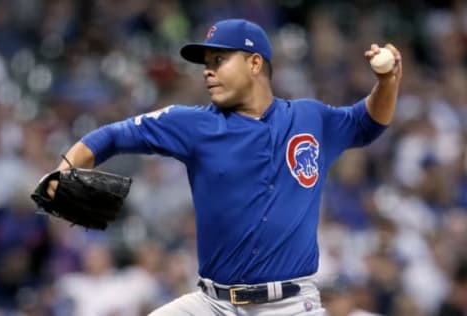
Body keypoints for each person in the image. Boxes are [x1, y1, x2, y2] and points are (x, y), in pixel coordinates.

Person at [44, 19, 402, 315]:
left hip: (292, 306)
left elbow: (367, 123)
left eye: (219, 60)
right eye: (206, 64)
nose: (208, 72)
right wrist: (64, 169)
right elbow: (113, 136)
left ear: (255, 63)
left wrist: (386, 82)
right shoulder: (193, 124)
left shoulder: (310, 117)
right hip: (213, 304)